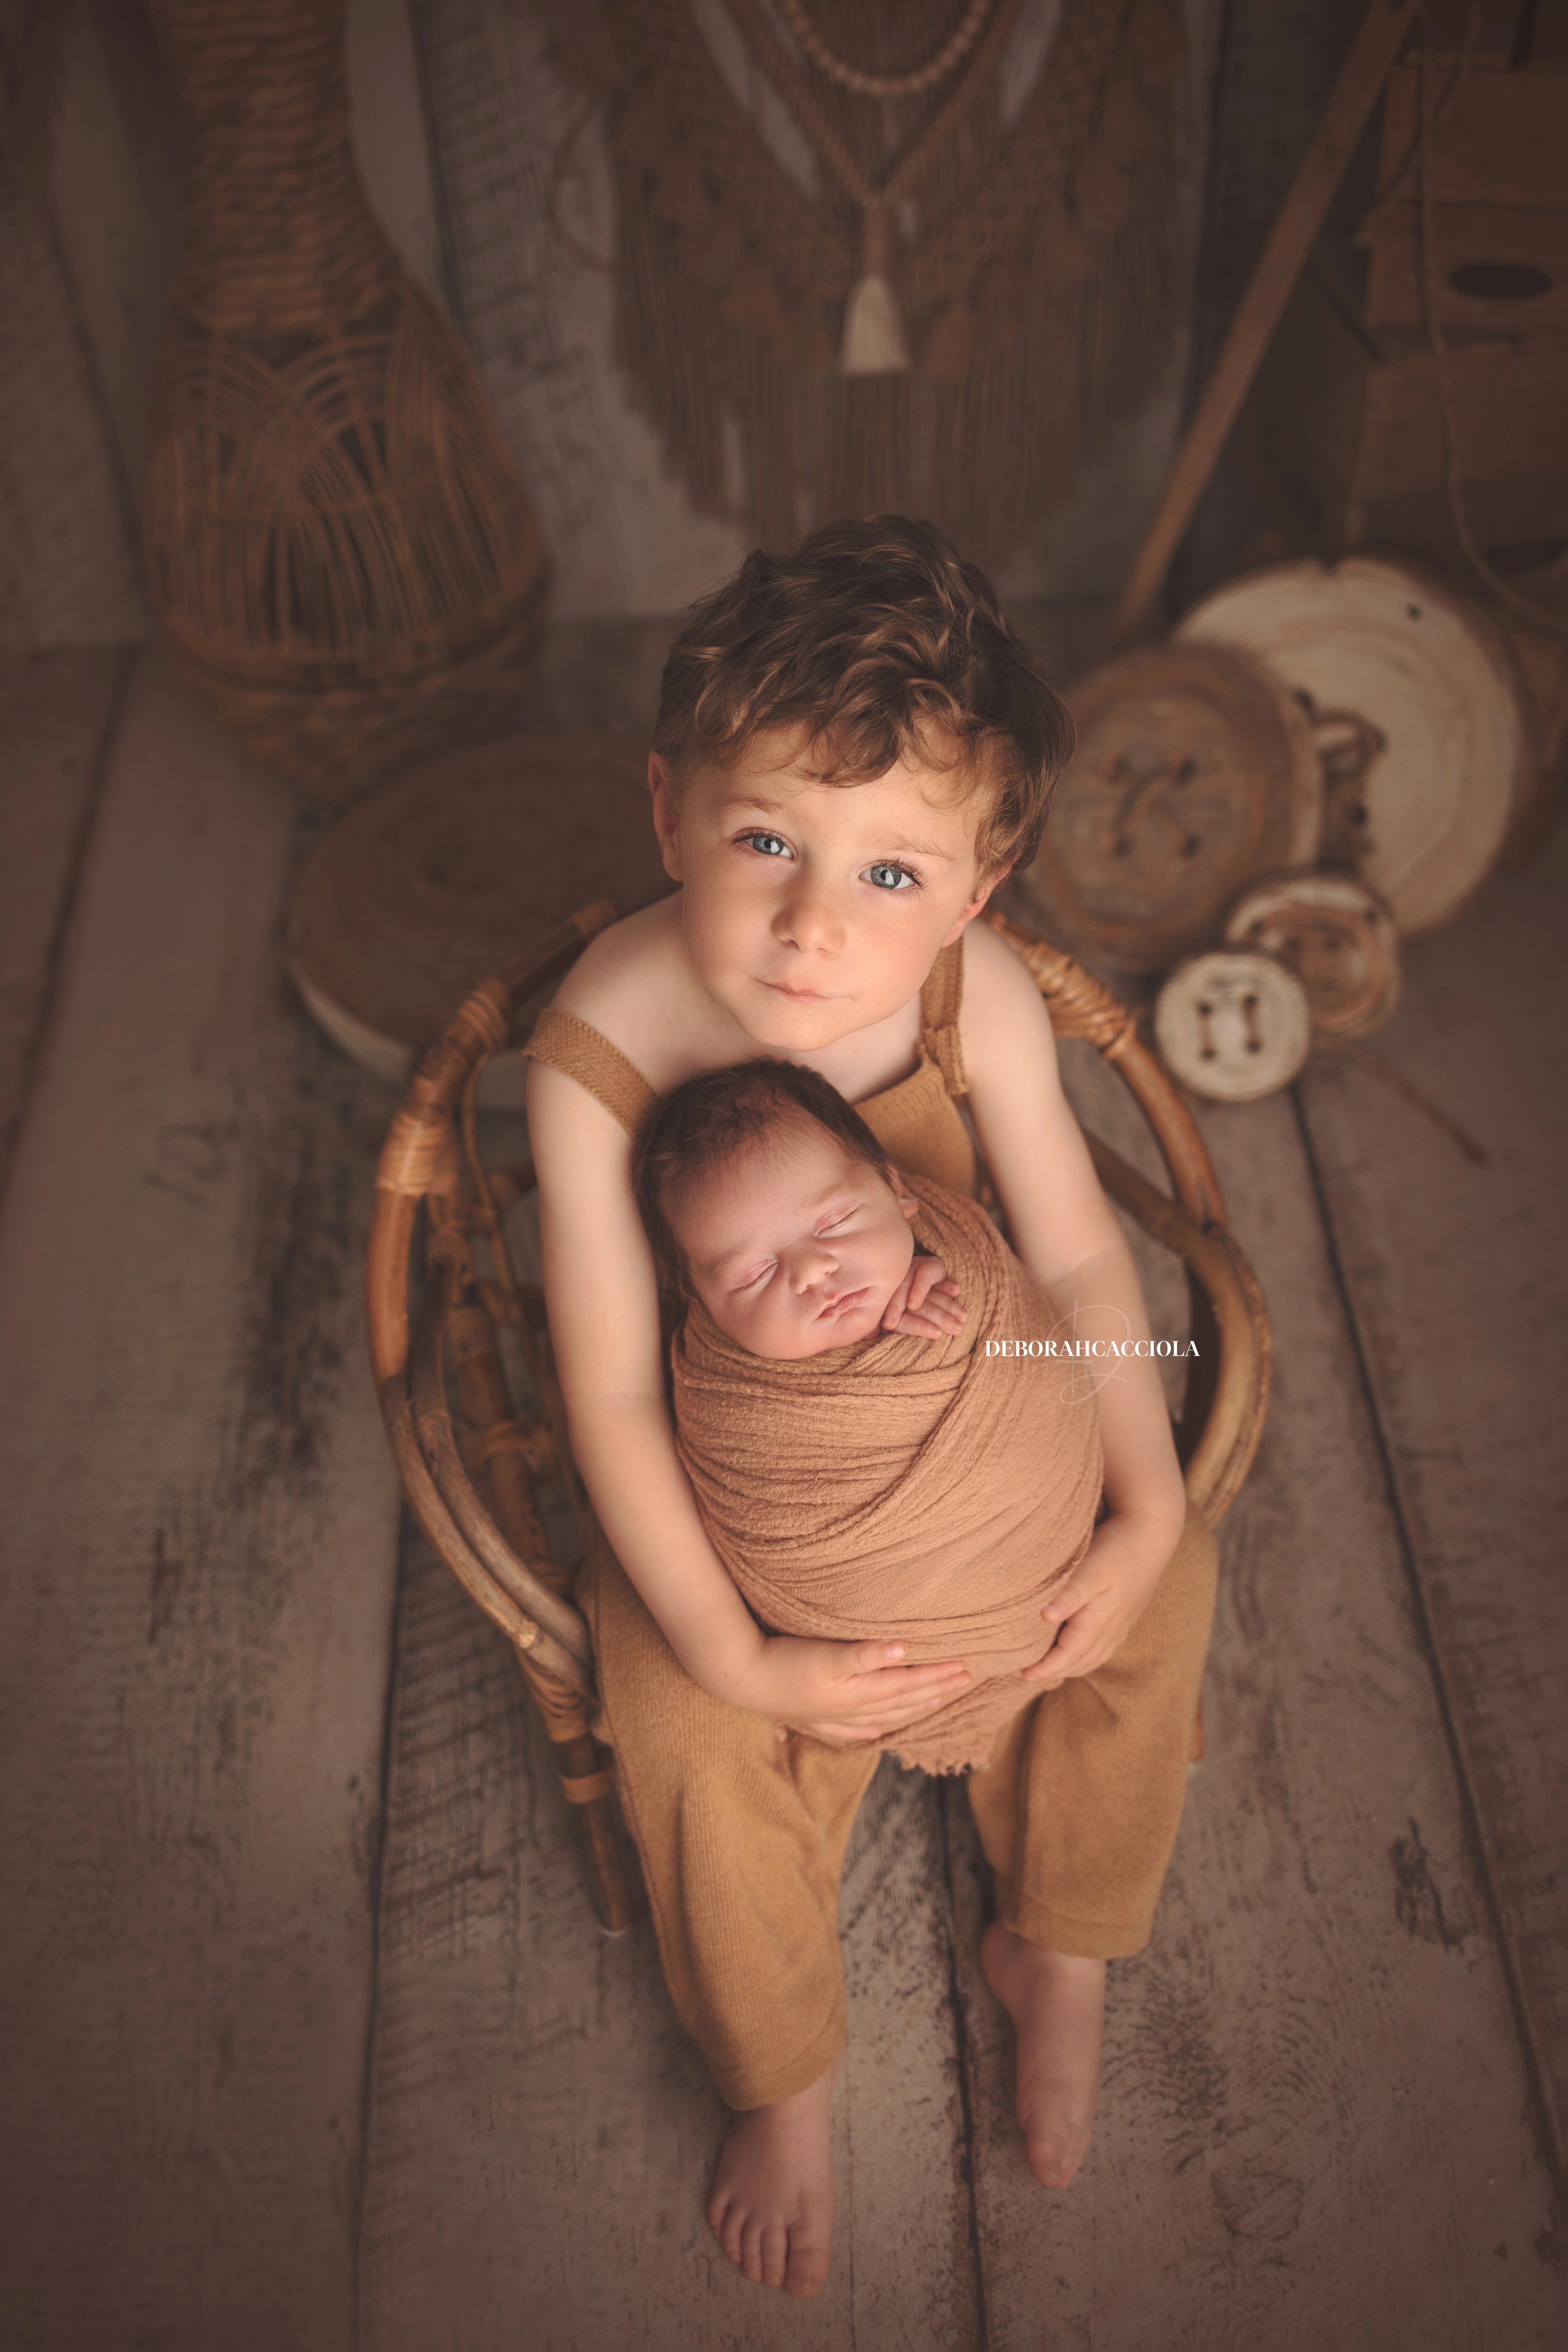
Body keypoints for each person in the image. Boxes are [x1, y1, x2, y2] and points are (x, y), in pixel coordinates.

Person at [524, 514, 1217, 2301]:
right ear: (665, 811)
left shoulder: (972, 1001)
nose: (815, 924)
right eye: (763, 839)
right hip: (753, 1507)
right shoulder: (603, 1036)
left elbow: (1072, 1269)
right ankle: (786, 2081)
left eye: (892, 876)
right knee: (677, 1729)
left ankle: (1057, 1937)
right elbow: (605, 1388)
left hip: (983, 1433)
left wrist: (1135, 1513)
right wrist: (740, 1655)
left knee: (1169, 1595)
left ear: (981, 890)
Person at [630, 1055, 1105, 1779]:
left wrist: (950, 1295)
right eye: (752, 1273)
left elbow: (1043, 1362)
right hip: (826, 1661)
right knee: (684, 1745)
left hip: (1059, 1586)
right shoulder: (726, 1396)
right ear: (702, 1305)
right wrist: (745, 1667)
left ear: (897, 1191)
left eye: (837, 1221)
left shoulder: (961, 1267)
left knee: (1177, 1589)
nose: (812, 1271)